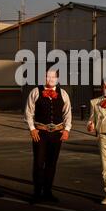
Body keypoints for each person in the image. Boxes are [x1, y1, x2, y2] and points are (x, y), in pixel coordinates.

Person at [24, 68, 72, 203]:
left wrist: (67, 129)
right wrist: (32, 129)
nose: (50, 79)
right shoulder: (35, 92)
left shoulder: (63, 93)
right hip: (40, 134)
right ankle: (37, 193)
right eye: (47, 76)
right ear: (43, 77)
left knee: (51, 164)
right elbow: (28, 112)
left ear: (57, 78)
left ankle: (48, 192)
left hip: (57, 134)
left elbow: (67, 113)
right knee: (39, 163)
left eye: (53, 77)